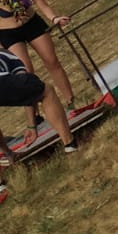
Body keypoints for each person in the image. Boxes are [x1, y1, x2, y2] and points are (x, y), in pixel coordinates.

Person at [0, 0, 77, 132]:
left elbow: (42, 4)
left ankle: (71, 101)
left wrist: (54, 18)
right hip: (8, 33)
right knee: (25, 73)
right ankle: (34, 117)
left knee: (52, 61)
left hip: (32, 24)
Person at [0, 46, 75, 201]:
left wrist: (7, 151)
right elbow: (29, 93)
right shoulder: (9, 56)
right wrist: (31, 125)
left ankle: (1, 184)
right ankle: (70, 145)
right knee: (45, 91)